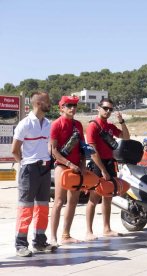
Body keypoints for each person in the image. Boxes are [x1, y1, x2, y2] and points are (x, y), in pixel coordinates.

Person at [11, 91, 57, 257]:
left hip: (44, 169)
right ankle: (20, 245)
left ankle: (39, 242)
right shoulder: (25, 124)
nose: (50, 103)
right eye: (47, 101)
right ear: (38, 103)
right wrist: (24, 164)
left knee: (43, 207)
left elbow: (49, 146)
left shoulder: (48, 124)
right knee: (26, 208)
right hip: (29, 169)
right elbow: (14, 150)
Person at [85, 98, 130, 241]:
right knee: (94, 198)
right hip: (98, 165)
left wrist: (122, 122)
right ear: (98, 108)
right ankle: (89, 231)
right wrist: (102, 170)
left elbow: (126, 137)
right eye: (105, 108)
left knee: (108, 197)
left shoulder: (110, 126)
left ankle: (106, 228)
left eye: (110, 109)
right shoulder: (93, 126)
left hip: (110, 163)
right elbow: (92, 151)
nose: (108, 111)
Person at [50, 96, 86, 246]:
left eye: (74, 105)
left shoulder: (78, 124)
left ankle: (66, 235)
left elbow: (83, 148)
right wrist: (69, 164)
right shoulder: (56, 124)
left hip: (77, 167)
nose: (72, 108)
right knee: (58, 202)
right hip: (62, 166)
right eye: (69, 105)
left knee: (73, 202)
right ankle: (53, 237)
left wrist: (83, 165)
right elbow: (53, 151)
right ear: (62, 107)